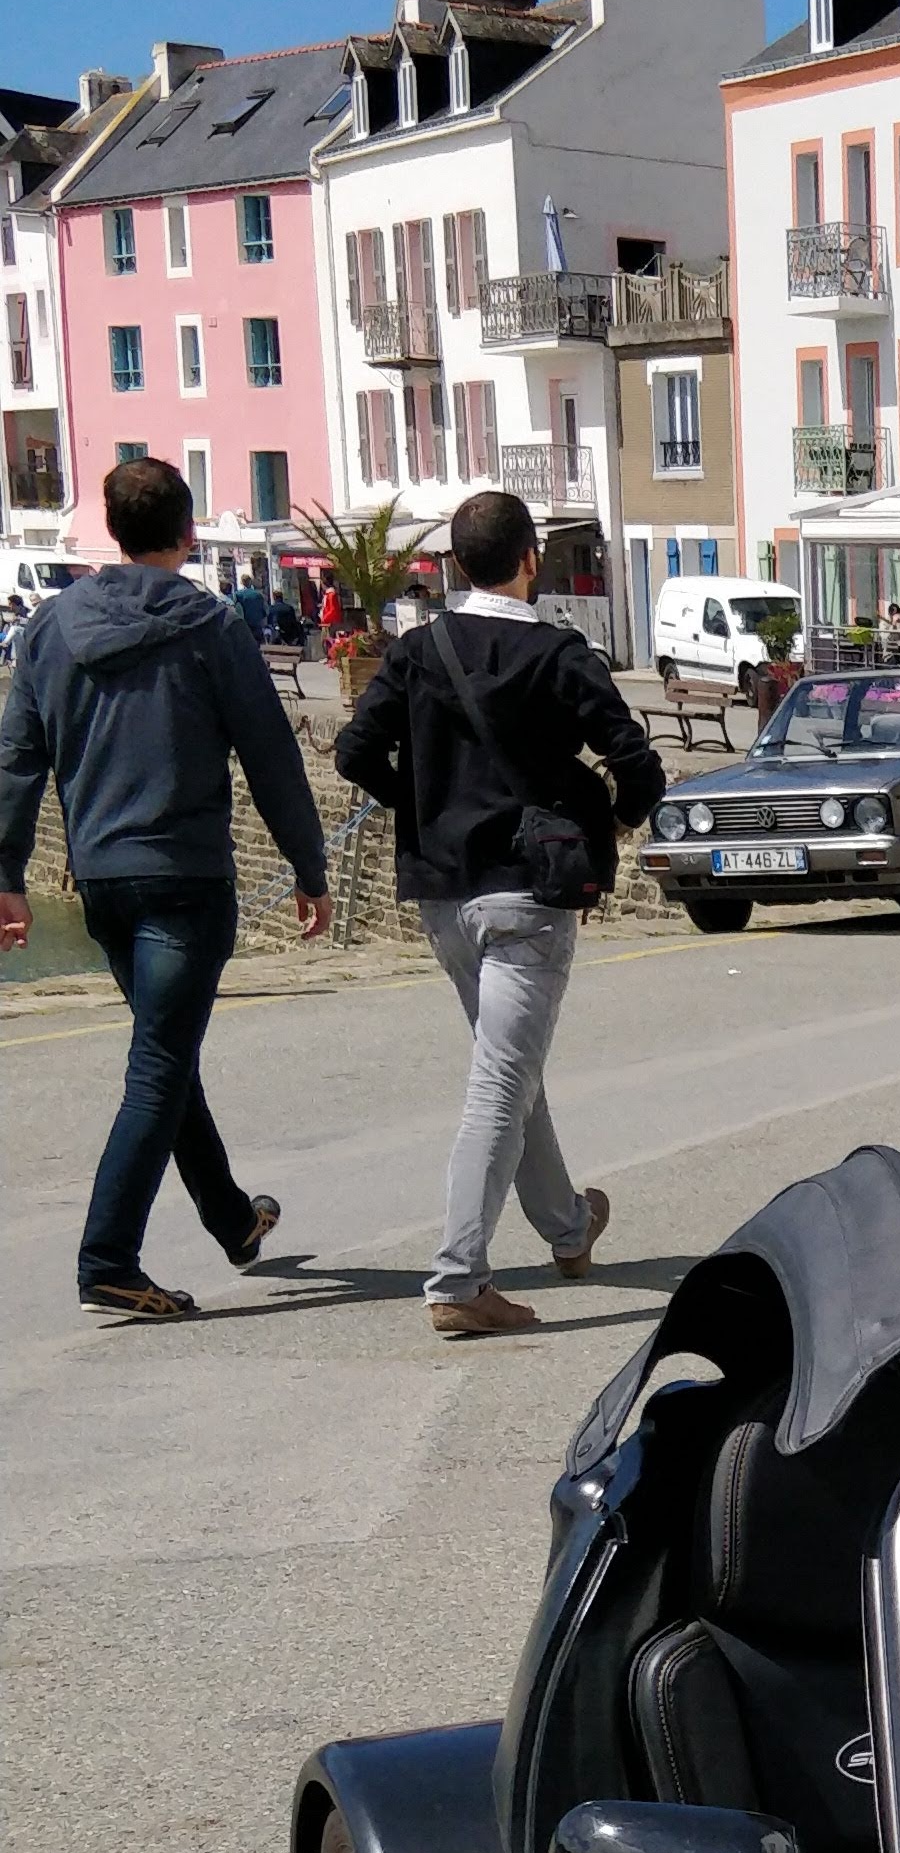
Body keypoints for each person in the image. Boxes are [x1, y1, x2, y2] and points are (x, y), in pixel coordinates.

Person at [0, 454, 329, 1323]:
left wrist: (7, 876)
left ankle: (233, 1219)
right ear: (187, 532)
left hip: (102, 880)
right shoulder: (211, 625)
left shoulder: (48, 628)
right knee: (158, 1065)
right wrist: (309, 868)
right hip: (184, 878)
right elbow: (270, 753)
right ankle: (108, 1259)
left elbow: (17, 759)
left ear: (113, 530)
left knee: (166, 1051)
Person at [333, 484, 663, 1343]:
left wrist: (424, 808)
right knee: (500, 1082)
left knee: (509, 1067)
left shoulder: (418, 650)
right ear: (529, 561)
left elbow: (354, 751)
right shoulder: (558, 654)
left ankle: (567, 1227)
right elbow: (637, 761)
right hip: (527, 892)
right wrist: (613, 819)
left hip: (445, 893)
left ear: (454, 564)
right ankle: (458, 1278)